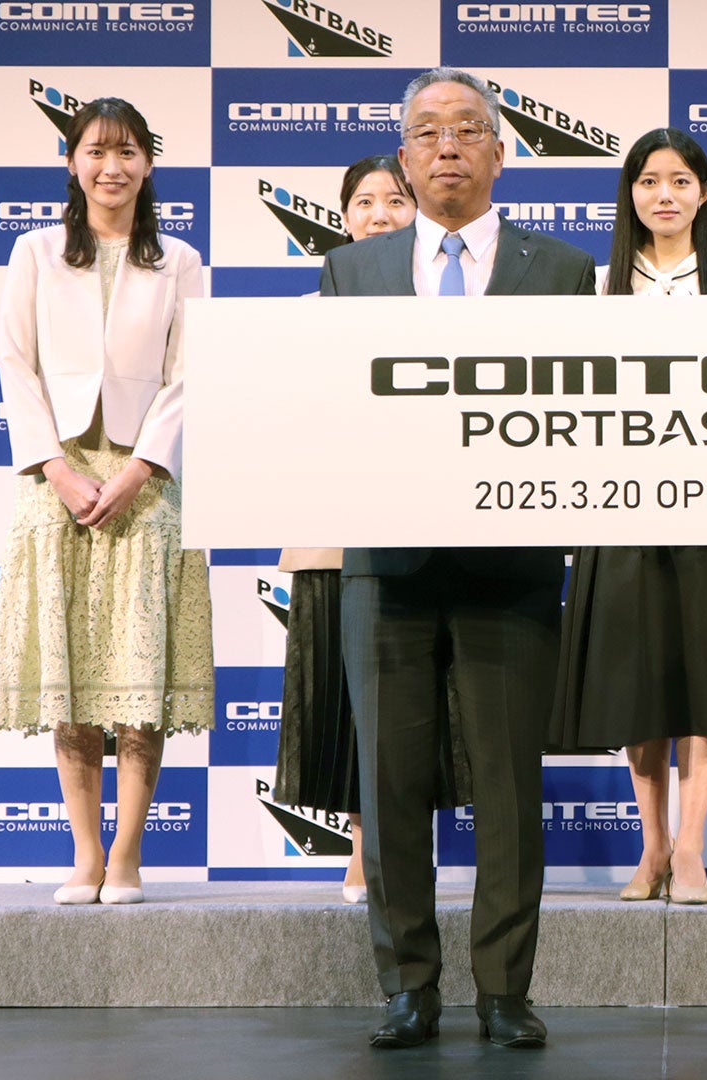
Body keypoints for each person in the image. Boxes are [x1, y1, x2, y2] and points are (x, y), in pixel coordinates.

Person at [316, 67, 595, 1051]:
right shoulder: (351, 273)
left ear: (499, 153)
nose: (447, 146)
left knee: (510, 789)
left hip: (511, 571)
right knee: (389, 787)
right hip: (384, 567)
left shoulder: (562, 272)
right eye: (428, 131)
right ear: (404, 156)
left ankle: (505, 991)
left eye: (468, 129)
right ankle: (408, 987)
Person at [0, 97, 212, 907]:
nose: (111, 167)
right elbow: (14, 364)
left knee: (138, 677)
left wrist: (140, 468)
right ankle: (84, 853)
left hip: (145, 482)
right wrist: (55, 468)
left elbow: (189, 372)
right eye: (96, 151)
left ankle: (126, 856)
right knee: (70, 671)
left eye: (127, 152)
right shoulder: (35, 251)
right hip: (57, 478)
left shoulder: (178, 259)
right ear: (72, 163)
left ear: (148, 165)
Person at [550, 128, 707, 907]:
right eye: (647, 181)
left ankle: (692, 847)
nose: (663, 195)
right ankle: (653, 846)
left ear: (706, 193)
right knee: (636, 682)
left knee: (702, 677)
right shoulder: (596, 286)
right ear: (629, 194)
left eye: (679, 181)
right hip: (619, 508)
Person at [272, 155, 432, 907]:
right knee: (351, 697)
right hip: (336, 529)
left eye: (395, 200)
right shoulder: (309, 312)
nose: (379, 214)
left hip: (426, 527)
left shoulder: (446, 302)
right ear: (342, 219)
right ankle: (366, 847)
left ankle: (398, 848)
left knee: (414, 699)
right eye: (364, 202)